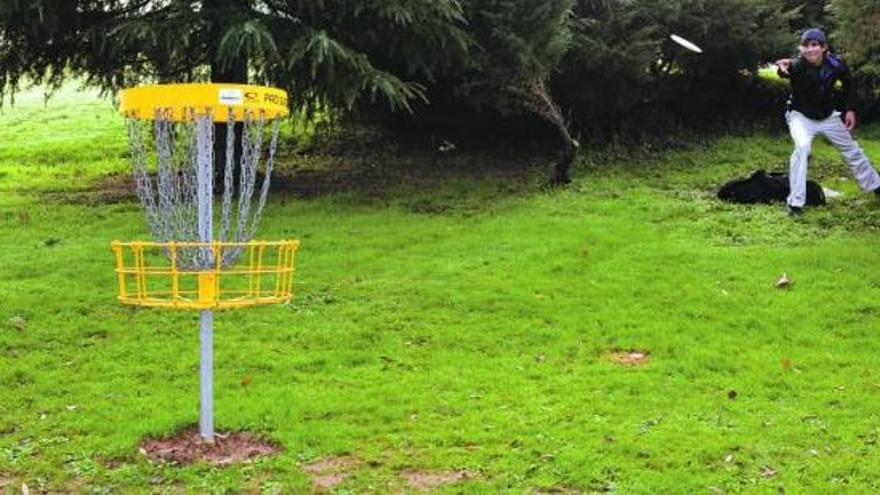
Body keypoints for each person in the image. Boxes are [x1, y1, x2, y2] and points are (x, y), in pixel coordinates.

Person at [775, 28, 880, 217]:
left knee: (852, 150)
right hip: (800, 116)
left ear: (823, 48)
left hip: (827, 116)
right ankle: (795, 204)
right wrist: (782, 68)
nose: (810, 50)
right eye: (805, 46)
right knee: (802, 148)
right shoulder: (798, 65)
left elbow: (848, 83)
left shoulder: (836, 65)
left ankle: (876, 185)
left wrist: (849, 109)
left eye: (814, 45)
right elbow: (786, 70)